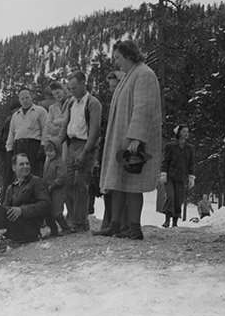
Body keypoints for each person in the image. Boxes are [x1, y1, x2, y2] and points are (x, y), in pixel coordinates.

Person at [96, 40, 162, 241]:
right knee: (118, 182)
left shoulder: (144, 74)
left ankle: (134, 227)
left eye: (118, 57)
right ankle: (115, 225)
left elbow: (143, 108)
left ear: (129, 55)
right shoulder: (129, 76)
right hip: (121, 136)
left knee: (133, 184)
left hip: (131, 139)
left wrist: (136, 138)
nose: (116, 62)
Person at [61, 70, 103, 233]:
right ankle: (72, 218)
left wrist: (85, 152)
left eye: (75, 88)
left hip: (86, 146)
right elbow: (66, 125)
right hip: (72, 145)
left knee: (81, 183)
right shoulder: (71, 103)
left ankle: (81, 221)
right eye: (70, 89)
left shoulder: (93, 103)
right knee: (67, 182)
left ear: (84, 84)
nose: (73, 91)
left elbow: (94, 130)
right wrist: (57, 142)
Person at [90, 70, 121, 220]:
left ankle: (118, 220)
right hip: (106, 147)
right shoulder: (111, 105)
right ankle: (109, 220)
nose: (112, 90)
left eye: (115, 87)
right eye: (110, 87)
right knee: (107, 185)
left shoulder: (124, 103)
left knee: (118, 186)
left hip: (120, 148)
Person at [4, 87, 48, 178]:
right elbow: (11, 133)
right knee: (19, 175)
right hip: (18, 146)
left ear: (31, 97)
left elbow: (45, 129)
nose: (25, 101)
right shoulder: (16, 115)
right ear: (19, 100)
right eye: (22, 98)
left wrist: (43, 145)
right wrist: (9, 149)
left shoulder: (40, 111)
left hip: (33, 146)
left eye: (27, 97)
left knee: (33, 174)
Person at [161, 124, 196, 228]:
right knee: (170, 197)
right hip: (170, 176)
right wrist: (163, 173)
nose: (186, 134)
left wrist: (191, 177)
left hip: (182, 177)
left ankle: (175, 221)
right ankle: (167, 220)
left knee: (178, 199)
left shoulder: (190, 148)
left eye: (187, 132)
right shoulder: (170, 146)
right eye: (184, 131)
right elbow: (165, 161)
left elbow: (191, 163)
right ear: (179, 133)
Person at [42, 137, 70, 237]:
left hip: (58, 190)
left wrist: (53, 185)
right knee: (49, 211)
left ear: (57, 150)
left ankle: (65, 228)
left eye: (51, 151)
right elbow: (45, 176)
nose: (48, 153)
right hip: (49, 190)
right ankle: (54, 230)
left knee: (57, 212)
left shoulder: (60, 162)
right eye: (46, 151)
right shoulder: (47, 163)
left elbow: (62, 177)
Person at [43, 81, 69, 146]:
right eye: (54, 94)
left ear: (63, 90)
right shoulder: (52, 108)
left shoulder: (72, 103)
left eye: (58, 93)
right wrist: (64, 125)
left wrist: (56, 121)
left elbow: (71, 123)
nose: (57, 96)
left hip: (69, 142)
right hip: (56, 143)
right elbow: (48, 127)